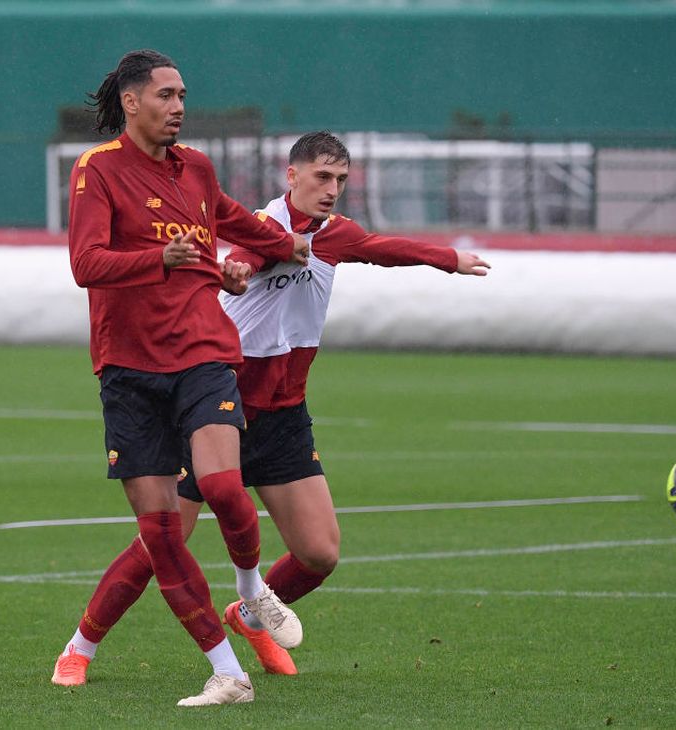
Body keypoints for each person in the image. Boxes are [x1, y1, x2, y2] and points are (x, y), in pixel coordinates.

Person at [56, 129, 491, 680]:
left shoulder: (335, 234)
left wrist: (449, 259)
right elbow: (241, 255)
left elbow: (383, 249)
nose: (331, 189)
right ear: (292, 176)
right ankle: (80, 646)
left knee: (319, 553)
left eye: (340, 180)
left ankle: (249, 615)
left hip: (284, 415)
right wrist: (236, 270)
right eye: (321, 177)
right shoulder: (266, 229)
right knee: (159, 543)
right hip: (221, 411)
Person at [52, 49, 309, 707]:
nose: (179, 107)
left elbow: (228, 218)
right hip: (129, 368)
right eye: (166, 95)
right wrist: (160, 259)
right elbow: (86, 264)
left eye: (183, 96)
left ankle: (251, 594)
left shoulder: (195, 167)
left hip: (202, 352)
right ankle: (226, 671)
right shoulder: (96, 169)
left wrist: (281, 246)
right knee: (162, 535)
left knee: (223, 486)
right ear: (131, 102)